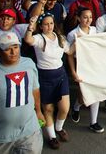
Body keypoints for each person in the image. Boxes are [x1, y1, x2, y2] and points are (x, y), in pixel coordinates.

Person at [24, 13, 71, 150]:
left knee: (64, 108)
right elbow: (28, 40)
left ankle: (59, 127)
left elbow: (71, 51)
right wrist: (30, 28)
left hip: (61, 75)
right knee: (48, 109)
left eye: (51, 23)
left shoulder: (61, 38)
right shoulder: (39, 38)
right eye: (46, 24)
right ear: (41, 26)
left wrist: (83, 40)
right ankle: (52, 137)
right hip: (45, 77)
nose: (49, 26)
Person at [66, 7, 105, 133]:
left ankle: (93, 122)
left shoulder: (94, 30)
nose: (88, 20)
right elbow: (70, 55)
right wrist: (73, 72)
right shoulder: (72, 34)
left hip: (94, 64)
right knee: (84, 95)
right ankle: (76, 107)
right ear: (78, 18)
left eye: (90, 17)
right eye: (85, 17)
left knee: (95, 93)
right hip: (81, 65)